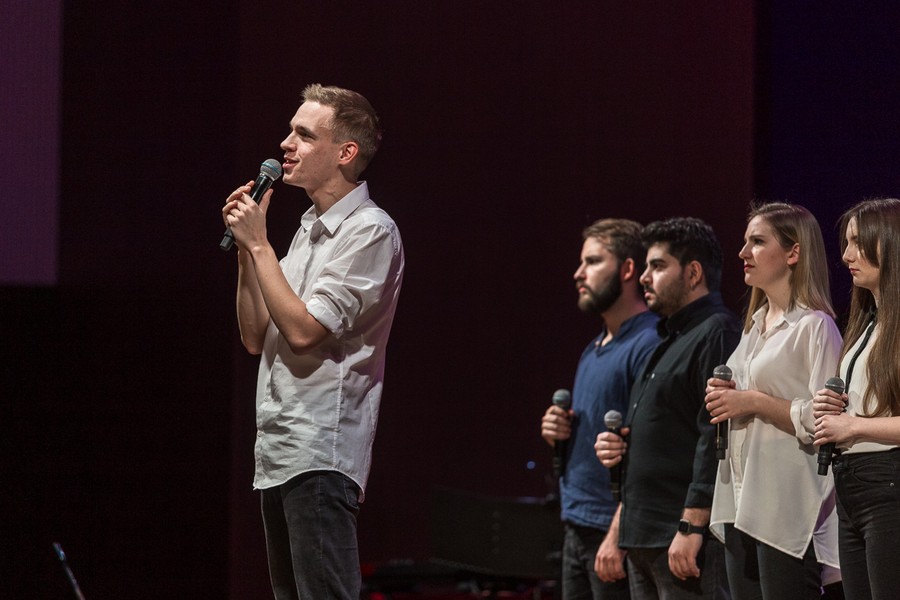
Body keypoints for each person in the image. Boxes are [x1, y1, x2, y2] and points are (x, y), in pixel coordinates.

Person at [222, 84, 404, 600]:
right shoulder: (307, 230)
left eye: (303, 134)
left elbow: (303, 333)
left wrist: (259, 244)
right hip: (279, 449)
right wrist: (245, 253)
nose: (286, 144)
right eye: (290, 131)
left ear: (346, 153)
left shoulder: (370, 232)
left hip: (320, 451)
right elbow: (256, 336)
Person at [595, 217, 741, 600]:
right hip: (645, 538)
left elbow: (716, 434)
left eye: (657, 266)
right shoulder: (669, 337)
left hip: (680, 540)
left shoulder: (716, 331)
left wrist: (692, 527)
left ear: (693, 273)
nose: (644, 277)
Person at [703, 203, 842, 599]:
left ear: (793, 252)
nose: (743, 253)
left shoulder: (815, 327)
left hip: (784, 508)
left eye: (757, 242)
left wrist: (753, 402)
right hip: (739, 498)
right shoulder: (754, 323)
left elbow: (827, 423)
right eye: (745, 242)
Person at [542, 218, 660, 599]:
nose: (579, 273)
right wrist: (559, 431)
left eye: (592, 262)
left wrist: (617, 534)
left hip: (612, 532)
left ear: (628, 269)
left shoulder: (648, 343)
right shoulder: (592, 349)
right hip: (576, 524)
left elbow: (650, 451)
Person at [813, 198, 900, 600]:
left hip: (888, 484)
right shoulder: (868, 323)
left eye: (856, 241)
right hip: (851, 489)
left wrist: (854, 425)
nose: (846, 255)